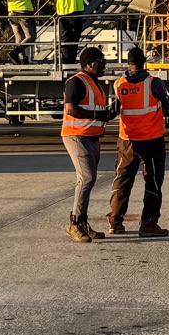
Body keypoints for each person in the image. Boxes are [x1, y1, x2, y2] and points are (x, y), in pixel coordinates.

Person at [107, 46, 169, 237]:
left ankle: (115, 222)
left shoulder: (118, 83)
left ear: (129, 63)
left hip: (127, 141)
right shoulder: (154, 83)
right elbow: (168, 107)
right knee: (153, 181)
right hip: (152, 140)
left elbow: (114, 109)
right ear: (144, 62)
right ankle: (148, 223)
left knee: (122, 180)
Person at [62, 46, 115, 242]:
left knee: (86, 180)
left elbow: (96, 111)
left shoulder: (96, 84)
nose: (104, 65)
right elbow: (71, 109)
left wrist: (108, 112)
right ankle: (75, 223)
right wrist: (97, 114)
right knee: (87, 178)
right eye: (101, 62)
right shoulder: (76, 81)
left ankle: (82, 222)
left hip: (92, 137)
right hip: (77, 135)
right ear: (89, 64)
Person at [53, 0, 86, 65]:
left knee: (64, 39)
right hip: (76, 11)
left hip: (62, 13)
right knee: (75, 38)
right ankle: (72, 60)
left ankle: (66, 62)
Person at [2, 0, 36, 64]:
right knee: (31, 37)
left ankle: (23, 59)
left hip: (12, 13)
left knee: (18, 37)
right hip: (24, 12)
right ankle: (15, 52)